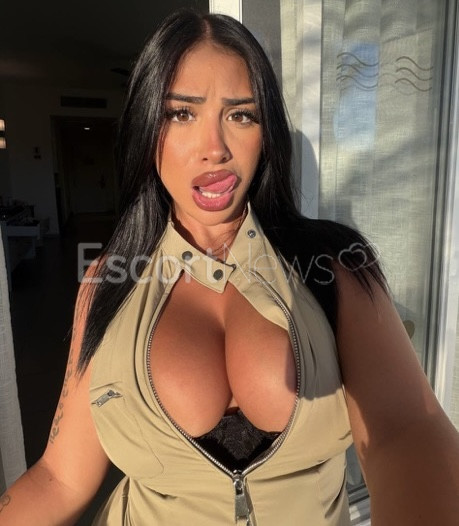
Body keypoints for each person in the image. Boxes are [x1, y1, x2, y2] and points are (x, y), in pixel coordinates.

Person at [2, 9, 459, 526]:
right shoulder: (108, 278)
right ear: (147, 129)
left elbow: (407, 431)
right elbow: (61, 477)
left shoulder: (335, 267)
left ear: (267, 134)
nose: (214, 149)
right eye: (182, 114)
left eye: (241, 115)